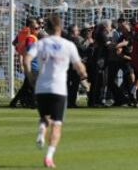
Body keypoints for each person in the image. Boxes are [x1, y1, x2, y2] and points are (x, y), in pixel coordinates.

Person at [24, 14, 88, 168]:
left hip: (41, 87)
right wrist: (84, 76)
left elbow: (26, 58)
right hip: (59, 88)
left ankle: (41, 130)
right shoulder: (68, 45)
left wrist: (30, 76)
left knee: (45, 117)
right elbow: (79, 66)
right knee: (57, 124)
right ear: (60, 27)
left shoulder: (41, 43)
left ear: (47, 28)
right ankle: (49, 156)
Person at [10, 17, 39, 108]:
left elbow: (14, 43)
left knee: (26, 85)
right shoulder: (30, 37)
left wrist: (20, 50)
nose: (38, 29)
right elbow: (28, 48)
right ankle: (33, 103)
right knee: (33, 84)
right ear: (30, 27)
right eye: (36, 28)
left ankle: (15, 102)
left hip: (29, 63)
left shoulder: (23, 33)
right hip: (31, 64)